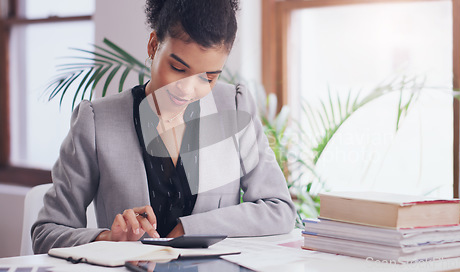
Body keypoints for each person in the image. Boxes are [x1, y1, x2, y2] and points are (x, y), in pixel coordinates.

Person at [32, 0, 295, 254]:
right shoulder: (96, 121)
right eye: (178, 68)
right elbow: (46, 233)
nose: (189, 90)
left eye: (209, 77)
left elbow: (278, 208)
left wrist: (189, 228)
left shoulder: (235, 106)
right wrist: (107, 238)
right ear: (153, 45)